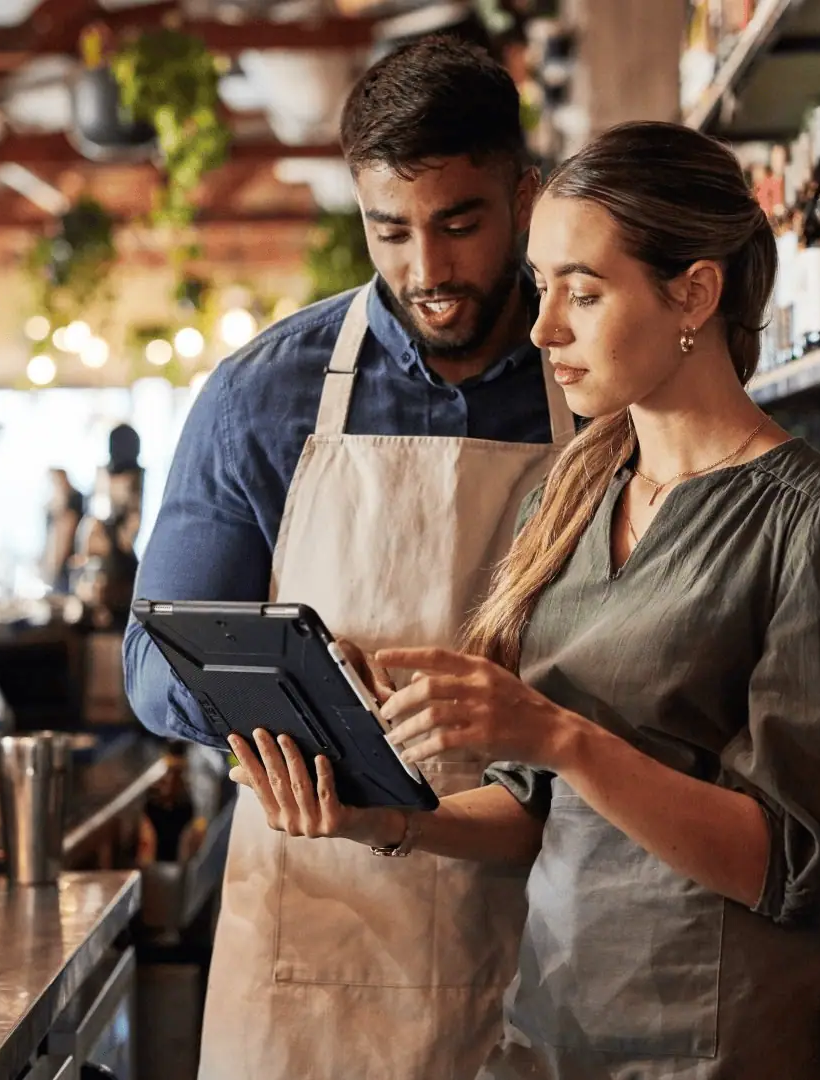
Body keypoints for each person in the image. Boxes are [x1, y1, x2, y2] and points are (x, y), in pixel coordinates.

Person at [227, 121, 820, 1079]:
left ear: (695, 294)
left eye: (582, 293)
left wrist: (556, 733)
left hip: (720, 1046)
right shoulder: (574, 493)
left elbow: (786, 865)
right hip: (551, 1032)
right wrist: (379, 819)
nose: (545, 328)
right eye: (542, 288)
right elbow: (540, 811)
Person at [122, 36, 574, 1080]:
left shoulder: (589, 384)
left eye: (460, 225)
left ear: (523, 195)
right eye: (391, 231)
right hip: (318, 934)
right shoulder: (261, 397)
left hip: (542, 913)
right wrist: (296, 691)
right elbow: (151, 671)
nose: (428, 271)